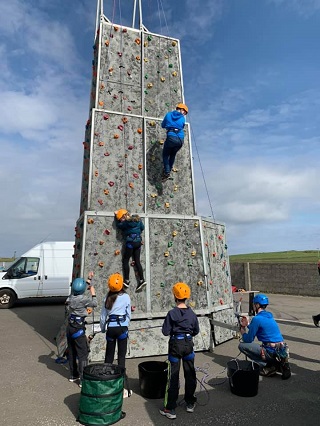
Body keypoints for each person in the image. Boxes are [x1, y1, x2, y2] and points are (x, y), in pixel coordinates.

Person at [159, 282, 199, 420]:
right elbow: (196, 331)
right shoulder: (192, 314)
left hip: (175, 346)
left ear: (175, 296)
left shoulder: (171, 313)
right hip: (188, 345)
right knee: (190, 373)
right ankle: (190, 403)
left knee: (173, 376)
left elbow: (165, 332)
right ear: (186, 297)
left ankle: (170, 408)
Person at [238, 293, 291, 380]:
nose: (253, 306)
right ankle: (281, 364)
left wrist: (243, 332)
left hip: (270, 351)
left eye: (254, 304)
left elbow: (249, 339)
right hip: (281, 348)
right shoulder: (269, 316)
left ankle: (269, 366)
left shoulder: (256, 319)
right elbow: (262, 328)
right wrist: (248, 324)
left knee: (242, 346)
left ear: (257, 305)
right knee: (265, 348)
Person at [100, 273, 132, 397]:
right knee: (121, 357)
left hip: (111, 329)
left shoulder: (107, 298)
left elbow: (103, 317)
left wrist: (103, 329)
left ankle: (105, 384)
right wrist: (126, 325)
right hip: (122, 329)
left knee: (109, 357)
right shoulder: (126, 297)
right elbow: (128, 314)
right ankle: (122, 387)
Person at [66, 272, 97, 387]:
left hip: (70, 328)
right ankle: (83, 380)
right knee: (83, 354)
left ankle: (73, 375)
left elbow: (77, 288)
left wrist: (88, 280)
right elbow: (95, 303)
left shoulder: (70, 297)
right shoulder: (84, 299)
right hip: (78, 329)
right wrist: (93, 293)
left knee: (72, 352)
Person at [115, 209, 146, 292]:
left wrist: (116, 217)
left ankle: (127, 280)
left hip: (130, 243)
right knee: (137, 261)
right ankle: (142, 280)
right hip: (138, 242)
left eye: (120, 218)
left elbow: (119, 226)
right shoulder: (138, 220)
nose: (120, 220)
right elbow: (142, 228)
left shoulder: (125, 223)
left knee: (125, 260)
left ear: (124, 216)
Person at [161, 103, 188, 181]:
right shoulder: (183, 118)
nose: (184, 114)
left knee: (165, 155)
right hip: (180, 140)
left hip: (171, 138)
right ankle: (168, 170)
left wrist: (167, 125)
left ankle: (167, 171)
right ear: (181, 110)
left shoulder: (168, 115)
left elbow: (163, 125)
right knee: (172, 155)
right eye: (184, 112)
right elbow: (182, 126)